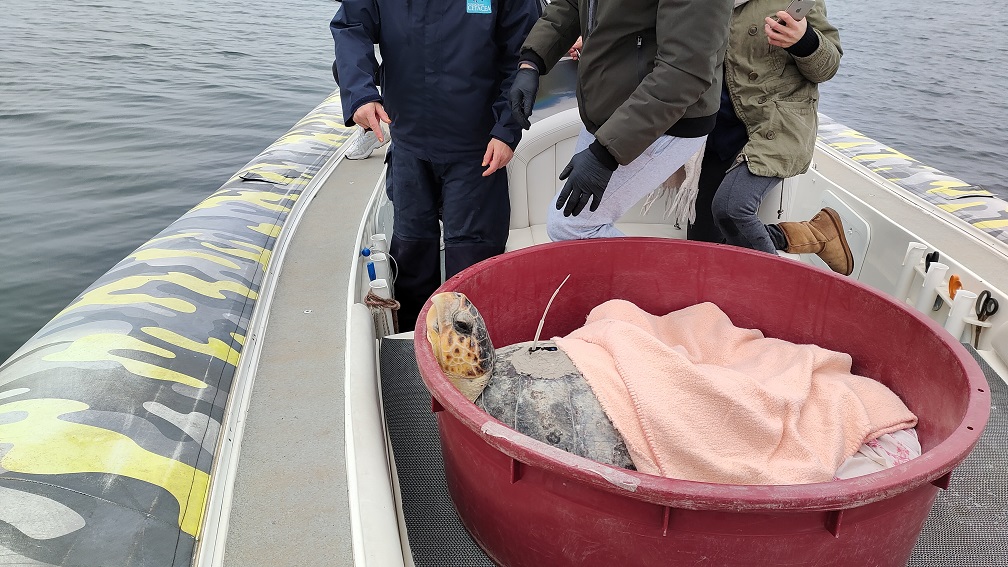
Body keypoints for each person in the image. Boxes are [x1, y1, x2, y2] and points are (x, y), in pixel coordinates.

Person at [331, 0, 541, 330]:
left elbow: (522, 54)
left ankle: (469, 354)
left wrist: (506, 130)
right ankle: (415, 345)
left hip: (478, 149)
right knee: (411, 254)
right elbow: (351, 27)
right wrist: (360, 93)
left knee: (471, 266)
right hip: (409, 144)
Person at [508, 1, 735, 241]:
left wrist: (606, 153)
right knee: (576, 221)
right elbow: (571, 4)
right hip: (607, 110)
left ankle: (664, 278)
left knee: (571, 227)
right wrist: (532, 61)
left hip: (667, 120)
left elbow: (684, 70)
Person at [688, 1, 852, 276]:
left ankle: (783, 293)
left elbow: (827, 67)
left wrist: (804, 41)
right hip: (716, 133)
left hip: (775, 127)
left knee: (731, 208)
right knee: (705, 247)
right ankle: (813, 234)